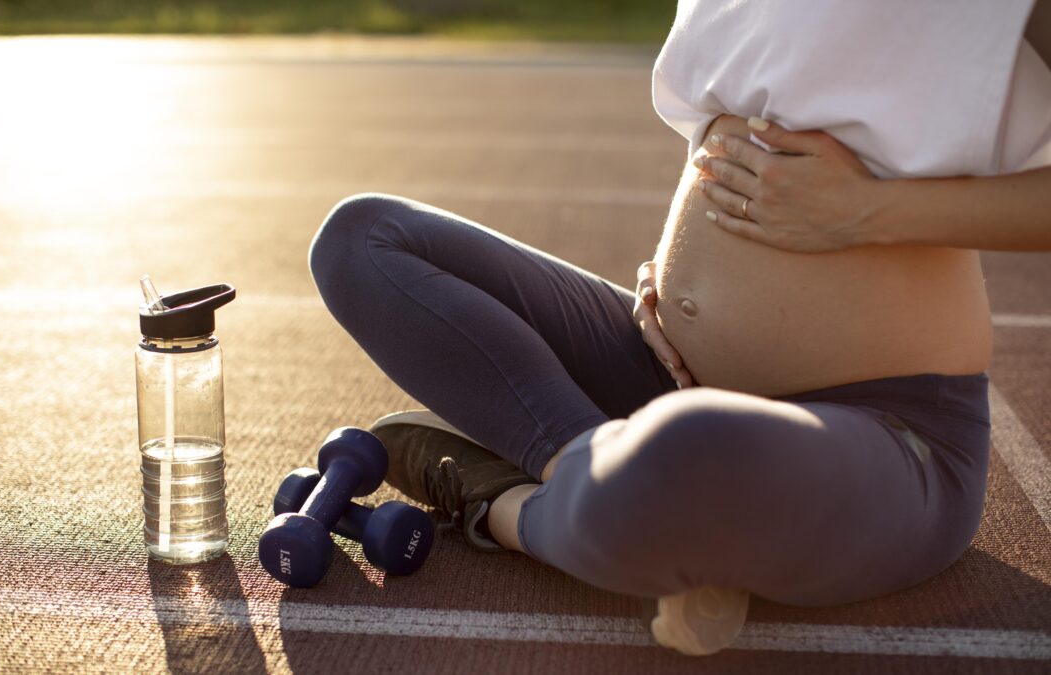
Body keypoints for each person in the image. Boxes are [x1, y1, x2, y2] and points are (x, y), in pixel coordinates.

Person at [307, 0, 1051, 657]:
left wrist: (866, 211)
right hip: (667, 361)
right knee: (362, 240)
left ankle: (501, 501)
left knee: (688, 443)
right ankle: (587, 469)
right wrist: (681, 267)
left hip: (886, 433)